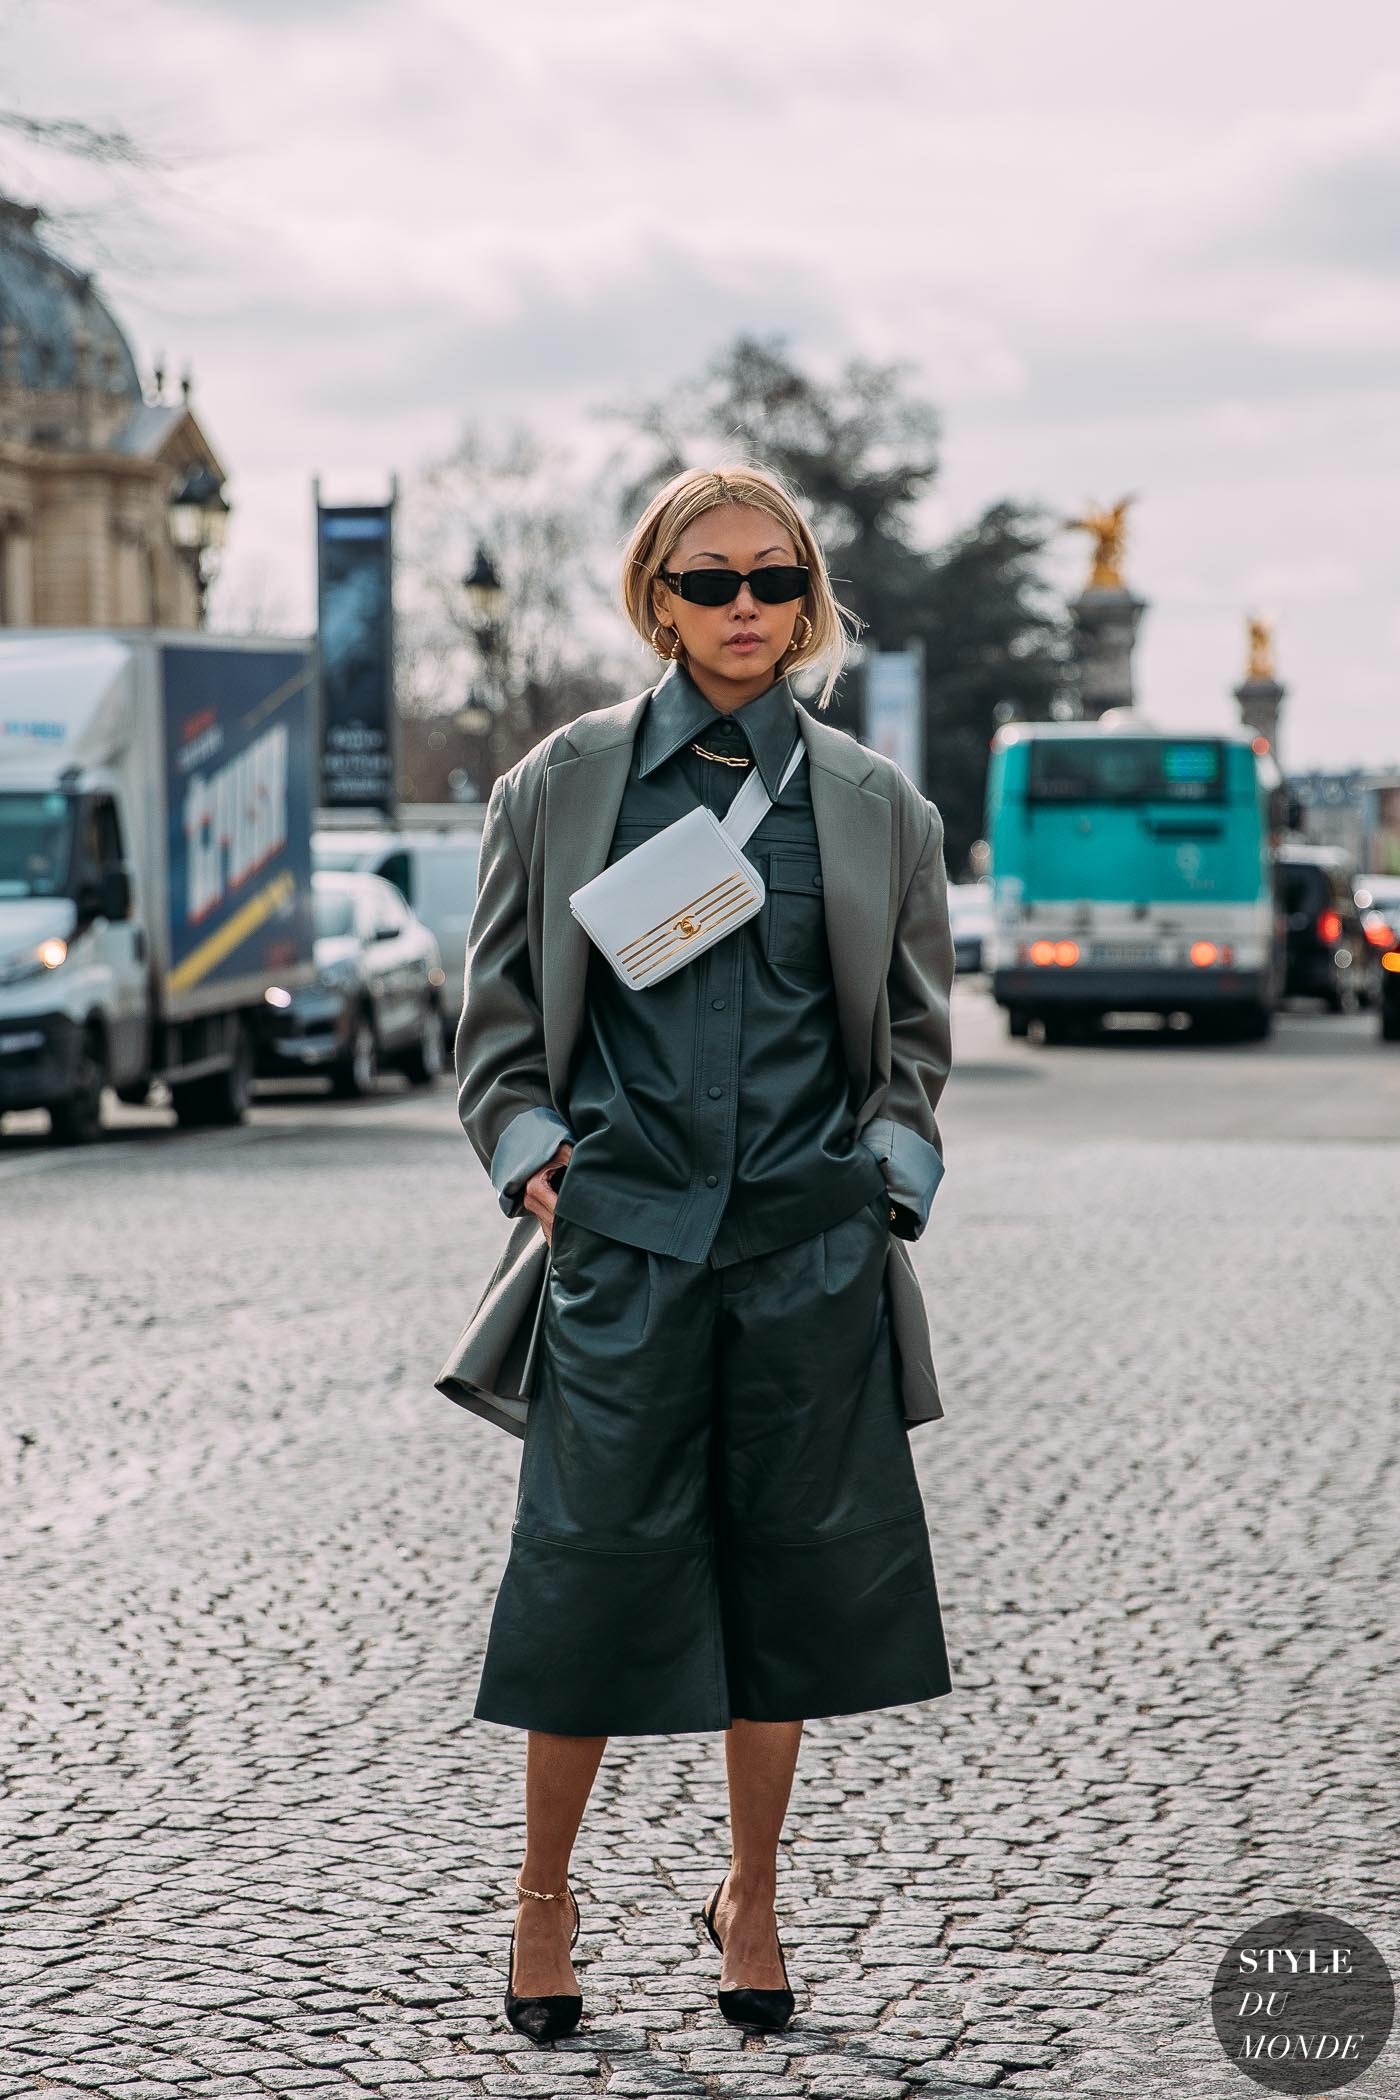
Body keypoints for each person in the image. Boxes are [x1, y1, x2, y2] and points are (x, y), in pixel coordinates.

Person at [453, 462, 956, 2045]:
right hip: (622, 1249)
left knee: (788, 1586)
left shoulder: (880, 804)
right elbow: (493, 1034)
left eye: (775, 581)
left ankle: (754, 1896)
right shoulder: (562, 782)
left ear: (811, 602)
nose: (748, 608)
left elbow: (915, 1044)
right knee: (586, 1578)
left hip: (809, 1252)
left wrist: (887, 1179)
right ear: (656, 601)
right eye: (711, 581)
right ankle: (544, 1899)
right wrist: (539, 1168)